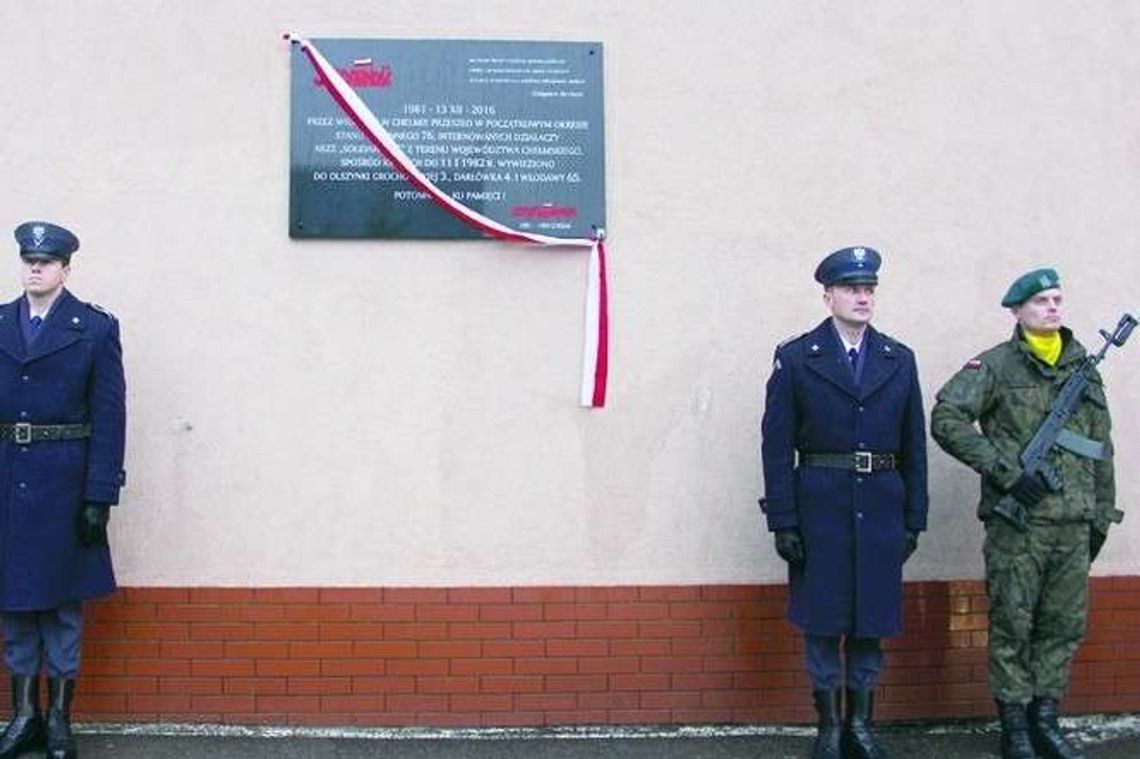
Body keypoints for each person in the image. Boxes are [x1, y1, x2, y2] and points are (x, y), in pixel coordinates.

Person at [930, 268, 1119, 759]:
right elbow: (947, 418)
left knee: (1063, 627)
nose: (1052, 308)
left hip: (1073, 525)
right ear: (1017, 311)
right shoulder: (995, 366)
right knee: (1012, 625)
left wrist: (1100, 515)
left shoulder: (1084, 369)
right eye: (1040, 301)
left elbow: (1101, 449)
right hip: (1019, 526)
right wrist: (1007, 473)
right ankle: (1014, 726)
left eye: (1057, 299)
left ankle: (1046, 719)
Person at [760, 246, 928, 759]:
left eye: (869, 289)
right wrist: (783, 519)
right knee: (823, 621)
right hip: (822, 510)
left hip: (880, 508)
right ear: (828, 295)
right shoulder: (797, 358)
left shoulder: (898, 358)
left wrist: (914, 517)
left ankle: (860, 726)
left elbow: (914, 444)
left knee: (870, 620)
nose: (863, 297)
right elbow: (776, 443)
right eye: (852, 289)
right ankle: (829, 728)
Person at [0, 221, 126, 759]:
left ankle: (58, 720)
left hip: (65, 488)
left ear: (66, 269)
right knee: (12, 606)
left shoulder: (93, 328)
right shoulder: (0, 322)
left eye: (46, 261)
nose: (35, 268)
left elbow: (110, 416)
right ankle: (24, 715)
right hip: (7, 482)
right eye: (29, 260)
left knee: (62, 609)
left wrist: (99, 496)